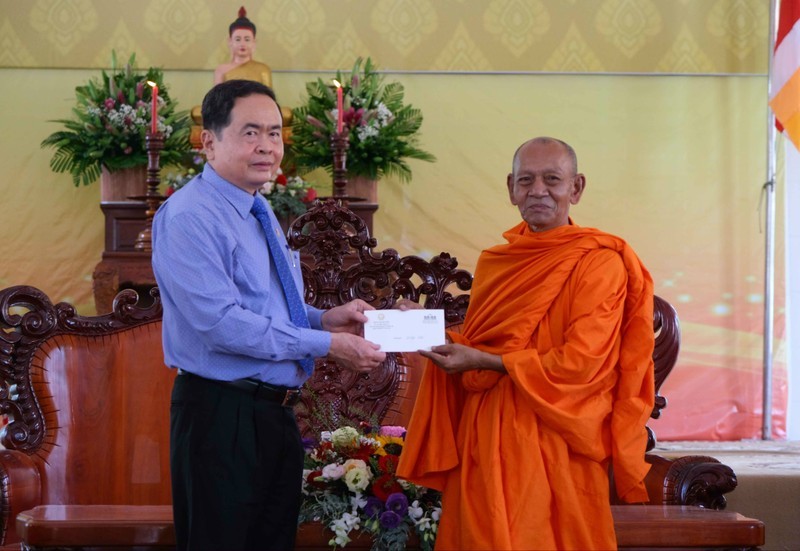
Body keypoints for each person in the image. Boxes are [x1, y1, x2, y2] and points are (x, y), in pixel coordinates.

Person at [152, 79, 386, 551]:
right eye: (251, 132)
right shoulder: (190, 217)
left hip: (273, 414)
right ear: (210, 142)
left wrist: (325, 319)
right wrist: (327, 346)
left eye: (276, 133)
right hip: (221, 414)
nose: (267, 147)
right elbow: (221, 324)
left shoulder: (257, 208)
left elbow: (266, 306)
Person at [396, 137, 656, 550]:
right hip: (488, 428)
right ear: (510, 188)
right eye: (526, 180)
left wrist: (487, 360)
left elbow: (581, 362)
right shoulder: (497, 262)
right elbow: (479, 345)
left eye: (552, 179)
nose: (538, 190)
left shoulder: (599, 261)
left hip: (559, 433)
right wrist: (424, 331)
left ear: (576, 188)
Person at [214, 7, 273, 86]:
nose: (242, 44)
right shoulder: (221, 70)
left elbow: (268, 97)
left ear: (254, 42)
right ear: (230, 41)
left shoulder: (263, 69)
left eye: (247, 39)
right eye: (238, 39)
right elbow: (216, 97)